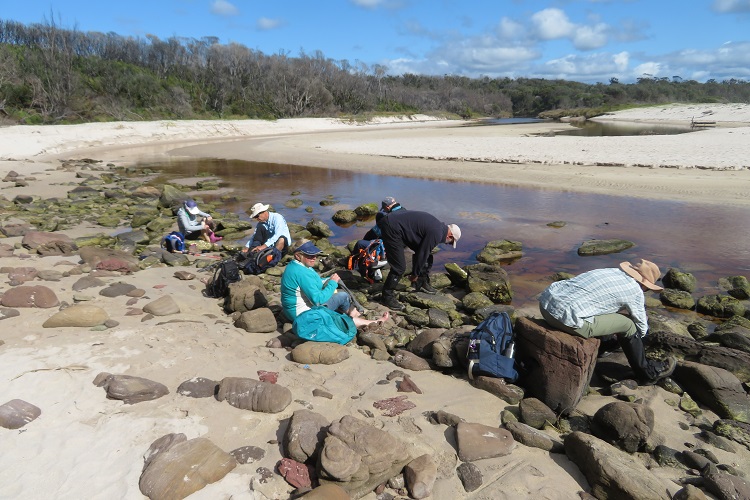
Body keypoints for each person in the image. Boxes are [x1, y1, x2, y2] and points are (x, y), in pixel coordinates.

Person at [538, 258, 677, 385]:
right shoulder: (635, 290)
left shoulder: (610, 271)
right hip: (564, 319)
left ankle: (604, 344)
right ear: (645, 285)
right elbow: (641, 329)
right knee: (628, 325)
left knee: (605, 307)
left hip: (546, 304)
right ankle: (647, 373)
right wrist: (641, 338)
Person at [281, 239, 389, 343]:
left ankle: (353, 315)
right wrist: (332, 283)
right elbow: (317, 300)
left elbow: (315, 282)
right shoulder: (301, 272)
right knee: (339, 318)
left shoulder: (298, 266)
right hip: (303, 315)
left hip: (293, 311)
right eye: (309, 255)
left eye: (315, 254)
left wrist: (328, 280)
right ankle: (371, 322)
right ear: (297, 256)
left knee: (342, 295)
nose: (314, 258)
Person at [377, 210, 461, 311]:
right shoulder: (436, 233)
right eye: (450, 242)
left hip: (396, 223)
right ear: (450, 236)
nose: (447, 244)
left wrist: (417, 272)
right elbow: (422, 254)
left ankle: (422, 283)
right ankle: (387, 297)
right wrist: (414, 274)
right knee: (399, 267)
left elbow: (422, 251)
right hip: (392, 227)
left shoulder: (438, 228)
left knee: (427, 255)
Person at [240, 202, 292, 273]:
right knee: (259, 228)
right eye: (255, 217)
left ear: (264, 212)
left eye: (257, 216)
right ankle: (251, 255)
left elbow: (278, 234)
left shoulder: (277, 218)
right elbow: (254, 236)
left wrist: (264, 246)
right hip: (269, 245)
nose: (257, 219)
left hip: (282, 246)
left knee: (281, 239)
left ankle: (271, 259)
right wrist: (247, 246)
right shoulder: (261, 223)